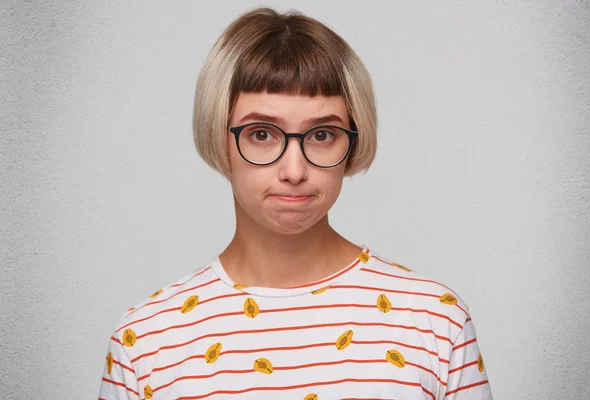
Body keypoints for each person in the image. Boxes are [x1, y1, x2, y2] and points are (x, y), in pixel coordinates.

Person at [99, 7, 493, 399]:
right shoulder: (147, 339)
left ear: (354, 140)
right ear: (218, 137)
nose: (294, 169)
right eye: (261, 134)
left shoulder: (434, 320)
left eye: (322, 134)